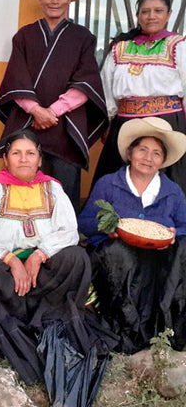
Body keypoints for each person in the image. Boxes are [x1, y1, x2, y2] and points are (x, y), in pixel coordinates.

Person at [0, 129, 118, 407]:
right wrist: (12, 260)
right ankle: (17, 330)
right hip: (8, 271)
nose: (23, 159)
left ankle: (53, 321)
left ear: (40, 159)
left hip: (46, 269)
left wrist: (39, 255)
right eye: (16, 153)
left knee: (76, 257)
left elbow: (69, 231)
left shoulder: (53, 187)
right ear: (5, 159)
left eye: (30, 153)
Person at [0, 0, 108, 212]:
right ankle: (21, 232)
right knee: (24, 181)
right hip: (29, 121)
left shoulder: (83, 37)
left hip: (66, 125)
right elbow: (16, 77)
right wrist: (35, 110)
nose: (54, 0)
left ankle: (64, 240)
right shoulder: (24, 36)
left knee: (65, 188)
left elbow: (86, 80)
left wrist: (51, 112)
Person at [79, 117, 186, 354]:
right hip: (115, 261)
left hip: (156, 261)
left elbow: (184, 226)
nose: (148, 158)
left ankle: (168, 329)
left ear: (163, 161)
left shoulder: (172, 192)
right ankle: (126, 331)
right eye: (143, 150)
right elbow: (85, 222)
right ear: (130, 153)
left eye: (156, 153)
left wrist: (172, 234)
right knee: (119, 253)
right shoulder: (109, 184)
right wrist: (106, 228)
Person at [92, 0, 186, 195]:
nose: (151, 16)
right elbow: (106, 87)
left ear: (169, 14)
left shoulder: (179, 46)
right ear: (138, 16)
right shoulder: (120, 48)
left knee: (167, 183)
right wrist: (108, 120)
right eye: (145, 11)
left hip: (168, 125)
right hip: (126, 125)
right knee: (118, 182)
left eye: (158, 11)